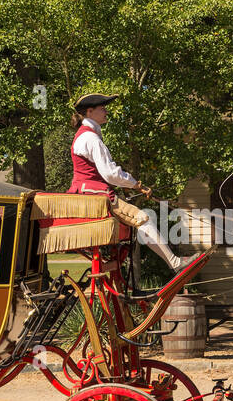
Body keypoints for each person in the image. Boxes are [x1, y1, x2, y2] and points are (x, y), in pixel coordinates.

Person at [68, 92, 202, 273]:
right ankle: (175, 263)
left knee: (133, 226)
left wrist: (132, 186)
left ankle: (111, 266)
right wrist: (136, 184)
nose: (106, 111)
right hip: (94, 194)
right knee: (143, 220)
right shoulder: (90, 138)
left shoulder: (86, 135)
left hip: (89, 192)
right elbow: (110, 173)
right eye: (103, 108)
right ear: (90, 112)